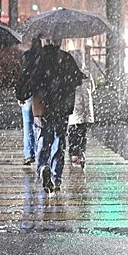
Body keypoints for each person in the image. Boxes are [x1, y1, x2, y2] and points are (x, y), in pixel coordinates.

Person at [16, 38, 85, 193]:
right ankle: (57, 177)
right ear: (59, 42)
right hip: (62, 107)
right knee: (59, 141)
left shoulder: (38, 59)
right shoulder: (66, 58)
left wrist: (21, 94)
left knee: (43, 139)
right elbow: (77, 79)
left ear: (45, 41)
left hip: (41, 107)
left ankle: (42, 167)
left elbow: (28, 80)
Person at [15, 36, 43, 165]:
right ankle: (39, 152)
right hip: (40, 93)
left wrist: (20, 94)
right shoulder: (44, 57)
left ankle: (28, 154)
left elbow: (21, 76)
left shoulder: (26, 56)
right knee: (39, 124)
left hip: (27, 93)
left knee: (27, 124)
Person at [67, 49, 95, 169]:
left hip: (74, 110)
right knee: (82, 133)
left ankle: (74, 154)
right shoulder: (87, 73)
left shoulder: (69, 73)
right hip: (85, 111)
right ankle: (81, 153)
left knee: (73, 133)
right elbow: (92, 88)